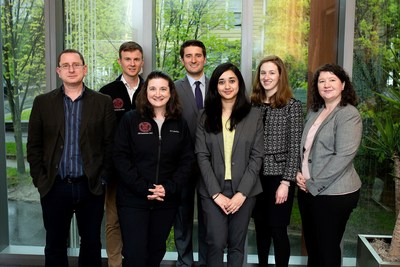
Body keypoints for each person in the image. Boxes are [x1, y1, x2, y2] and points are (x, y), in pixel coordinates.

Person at [27, 49, 116, 267]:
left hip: (90, 186)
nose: (71, 69)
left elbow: (110, 145)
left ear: (85, 69)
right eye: (65, 65)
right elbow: (34, 146)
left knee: (92, 244)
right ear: (58, 71)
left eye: (76, 64)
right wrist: (41, 180)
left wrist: (103, 179)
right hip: (54, 187)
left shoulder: (102, 102)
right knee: (55, 244)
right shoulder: (42, 103)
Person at [113, 71, 194, 267]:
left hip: (165, 200)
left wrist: (169, 187)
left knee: (156, 251)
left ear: (170, 93)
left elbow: (187, 160)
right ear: (145, 91)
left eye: (163, 89)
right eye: (153, 88)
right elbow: (120, 158)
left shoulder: (179, 123)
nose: (158, 93)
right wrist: (145, 188)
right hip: (133, 200)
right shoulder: (131, 120)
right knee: (135, 255)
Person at [195, 62, 264, 267]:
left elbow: (257, 156)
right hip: (212, 190)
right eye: (221, 81)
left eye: (231, 81)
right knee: (215, 242)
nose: (227, 86)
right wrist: (216, 193)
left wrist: (242, 193)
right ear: (215, 86)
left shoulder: (254, 115)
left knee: (237, 245)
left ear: (239, 84)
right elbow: (201, 155)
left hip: (245, 190)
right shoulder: (204, 115)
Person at [296, 63, 362, 267]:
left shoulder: (348, 114)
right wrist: (299, 173)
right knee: (314, 248)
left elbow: (343, 156)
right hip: (308, 190)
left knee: (326, 250)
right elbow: (307, 149)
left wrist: (313, 183)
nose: (326, 85)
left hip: (334, 194)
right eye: (321, 81)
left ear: (343, 84)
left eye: (332, 80)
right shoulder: (316, 111)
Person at [250, 55, 303, 267]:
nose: (267, 77)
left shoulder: (292, 106)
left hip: (279, 178)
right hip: (255, 177)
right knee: (260, 228)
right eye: (263, 73)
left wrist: (286, 182)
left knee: (278, 229)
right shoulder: (252, 104)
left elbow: (295, 147)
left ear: (280, 76)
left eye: (272, 72)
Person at [99, 41, 145, 267]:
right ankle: (115, 264)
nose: (132, 63)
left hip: (144, 170)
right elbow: (101, 133)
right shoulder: (107, 93)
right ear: (120, 62)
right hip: (116, 170)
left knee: (138, 221)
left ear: (142, 62)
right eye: (128, 59)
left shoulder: (151, 90)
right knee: (114, 220)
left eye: (136, 59)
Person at [174, 39, 208, 267]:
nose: (193, 60)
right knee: (182, 216)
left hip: (212, 163)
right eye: (189, 55)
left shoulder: (219, 85)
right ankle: (184, 262)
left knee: (209, 217)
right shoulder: (173, 88)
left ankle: (207, 262)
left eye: (198, 55)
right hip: (182, 162)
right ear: (182, 59)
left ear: (205, 58)